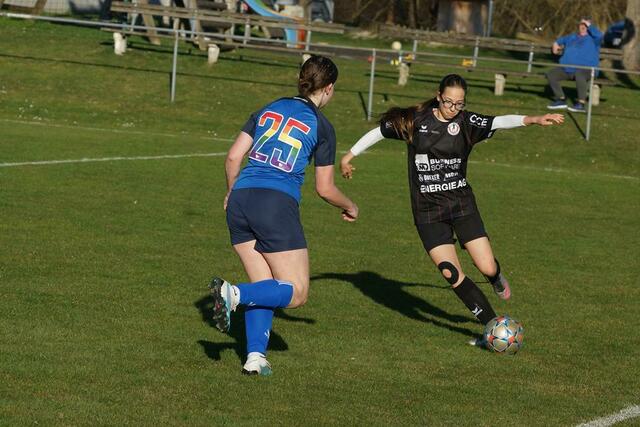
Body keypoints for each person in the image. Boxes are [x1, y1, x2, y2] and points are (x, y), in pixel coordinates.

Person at [340, 74, 563, 344]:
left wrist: (533, 119)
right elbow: (380, 131)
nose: (453, 108)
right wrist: (349, 156)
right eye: (448, 102)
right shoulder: (416, 121)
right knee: (450, 272)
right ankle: (492, 328)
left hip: (461, 206)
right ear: (438, 97)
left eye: (459, 104)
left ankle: (495, 277)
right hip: (428, 213)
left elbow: (498, 121)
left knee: (486, 266)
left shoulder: (466, 122)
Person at [211, 55, 358, 376]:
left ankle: (254, 357)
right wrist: (350, 205)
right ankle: (233, 294)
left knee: (265, 285)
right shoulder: (322, 125)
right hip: (274, 205)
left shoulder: (268, 108)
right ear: (329, 88)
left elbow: (234, 157)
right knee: (297, 292)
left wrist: (231, 191)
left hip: (240, 200)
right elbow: (325, 188)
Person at [546, 17, 603, 113]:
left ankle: (581, 104)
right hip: (568, 69)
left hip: (587, 70)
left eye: (586, 25)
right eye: (581, 24)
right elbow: (561, 40)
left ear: (590, 27)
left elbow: (599, 35)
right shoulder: (572, 37)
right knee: (551, 74)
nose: (583, 27)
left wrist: (589, 25)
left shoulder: (594, 39)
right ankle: (561, 99)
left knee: (579, 74)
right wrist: (556, 43)